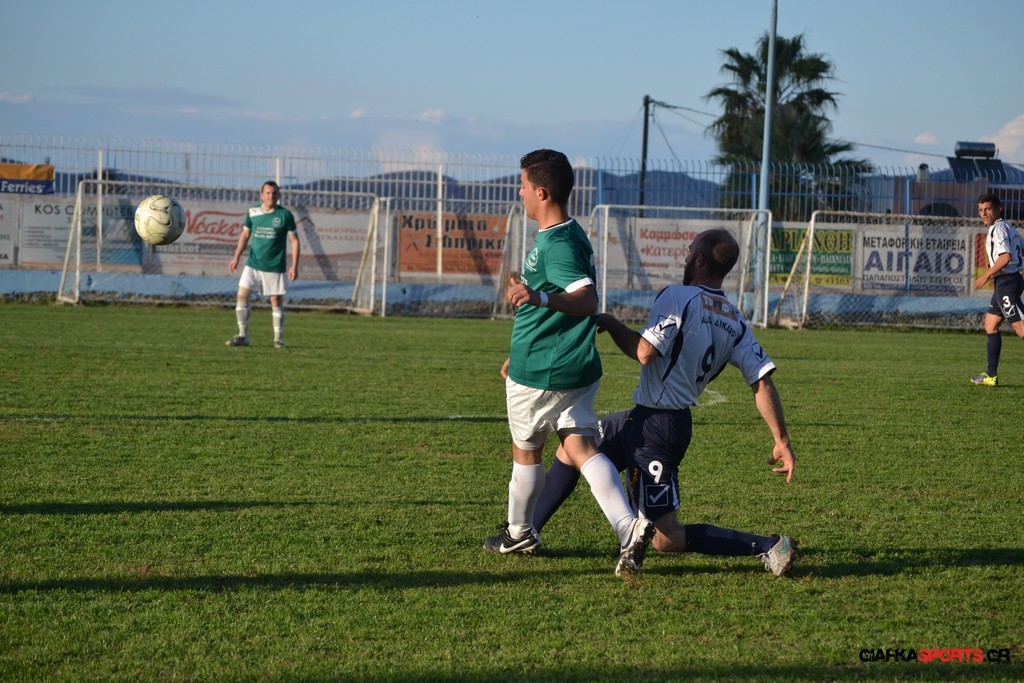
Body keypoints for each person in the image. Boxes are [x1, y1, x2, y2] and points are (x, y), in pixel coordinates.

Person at [531, 228, 799, 576]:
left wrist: (611, 323)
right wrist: (781, 440)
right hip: (646, 418)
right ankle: (526, 533)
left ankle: (769, 545)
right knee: (573, 447)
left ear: (699, 260)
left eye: (689, 252)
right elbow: (761, 380)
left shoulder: (678, 296)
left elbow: (644, 352)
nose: (685, 258)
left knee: (665, 537)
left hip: (659, 429)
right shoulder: (735, 318)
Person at [484, 149, 655, 577]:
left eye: (523, 185)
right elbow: (563, 305)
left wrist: (536, 296)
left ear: (541, 192)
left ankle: (519, 532)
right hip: (573, 366)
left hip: (542, 372)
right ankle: (628, 527)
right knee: (580, 447)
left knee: (526, 452)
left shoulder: (557, 244)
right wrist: (524, 339)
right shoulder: (570, 232)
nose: (519, 192)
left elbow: (586, 300)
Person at [226, 180, 300, 349]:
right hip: (253, 264)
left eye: (274, 193)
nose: (271, 196)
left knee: (275, 300)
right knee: (241, 295)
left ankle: (278, 339)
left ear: (278, 195)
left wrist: (294, 265)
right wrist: (236, 257)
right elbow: (245, 235)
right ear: (261, 195)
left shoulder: (285, 215)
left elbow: (294, 241)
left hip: (275, 266)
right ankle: (243, 336)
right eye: (268, 193)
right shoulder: (252, 212)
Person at [970, 192, 1024, 386]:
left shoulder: (998, 229)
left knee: (1021, 329)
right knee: (990, 325)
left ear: (998, 209)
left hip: (1006, 283)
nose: (984, 213)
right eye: (980, 210)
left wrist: (986, 275)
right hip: (1007, 282)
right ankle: (990, 375)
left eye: (988, 209)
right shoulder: (1009, 228)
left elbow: (1005, 257)